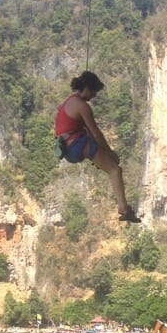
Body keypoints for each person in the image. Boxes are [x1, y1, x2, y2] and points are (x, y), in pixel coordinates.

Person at [54, 71, 141, 223]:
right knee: (115, 170)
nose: (93, 96)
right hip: (76, 144)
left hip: (66, 147)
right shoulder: (82, 106)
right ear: (87, 88)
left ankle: (123, 207)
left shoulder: (69, 100)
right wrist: (109, 152)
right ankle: (123, 208)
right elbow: (96, 133)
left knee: (112, 167)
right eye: (93, 92)